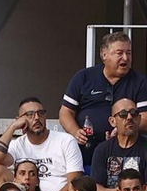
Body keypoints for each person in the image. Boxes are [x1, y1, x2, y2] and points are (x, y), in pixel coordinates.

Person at [62, 31, 147, 159]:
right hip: (85, 150)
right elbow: (65, 112)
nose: (125, 58)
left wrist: (121, 130)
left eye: (128, 53)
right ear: (104, 55)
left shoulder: (140, 82)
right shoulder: (83, 77)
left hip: (126, 151)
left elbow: (145, 118)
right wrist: (75, 131)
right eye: (119, 53)